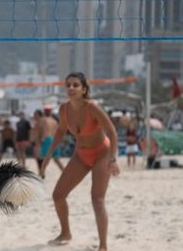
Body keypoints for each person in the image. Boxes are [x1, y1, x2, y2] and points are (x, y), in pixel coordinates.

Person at [41, 72, 120, 251]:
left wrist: (113, 159)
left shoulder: (92, 107)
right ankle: (65, 233)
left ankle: (103, 246)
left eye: (75, 85)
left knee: (97, 199)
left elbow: (112, 132)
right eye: (68, 85)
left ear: (84, 89)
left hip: (103, 153)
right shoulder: (64, 110)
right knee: (58, 195)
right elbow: (61, 131)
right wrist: (48, 156)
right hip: (81, 155)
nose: (71, 88)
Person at [38, 108, 65, 176]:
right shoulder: (55, 121)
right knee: (56, 159)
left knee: (44, 158)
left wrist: (42, 139)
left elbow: (45, 130)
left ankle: (41, 173)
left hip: (47, 138)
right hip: (54, 139)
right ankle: (64, 172)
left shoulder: (43, 120)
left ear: (44, 112)